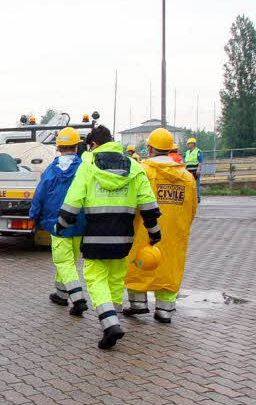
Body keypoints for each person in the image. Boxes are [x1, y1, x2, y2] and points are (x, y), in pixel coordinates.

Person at [56, 125, 160, 350]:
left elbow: (73, 200)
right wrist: (154, 233)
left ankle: (110, 324)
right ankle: (113, 317)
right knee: (115, 278)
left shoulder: (88, 166)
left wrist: (61, 224)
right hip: (123, 238)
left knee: (95, 278)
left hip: (95, 236)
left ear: (93, 145)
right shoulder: (133, 166)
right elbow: (149, 204)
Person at [123, 128, 197, 324]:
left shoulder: (142, 171)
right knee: (170, 267)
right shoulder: (187, 177)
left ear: (150, 148)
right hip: (174, 233)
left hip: (143, 229)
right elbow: (192, 208)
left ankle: (137, 304)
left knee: (138, 263)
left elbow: (131, 201)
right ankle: (165, 310)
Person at [30, 127, 88, 316]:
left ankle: (78, 299)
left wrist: (34, 215)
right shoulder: (83, 169)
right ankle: (61, 294)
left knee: (63, 261)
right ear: (77, 146)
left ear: (58, 147)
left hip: (57, 222)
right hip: (79, 221)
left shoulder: (52, 170)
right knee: (69, 260)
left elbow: (40, 193)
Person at [184, 137, 204, 202]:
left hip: (195, 171)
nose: (188, 145)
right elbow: (185, 162)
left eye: (189, 143)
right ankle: (190, 198)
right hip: (188, 171)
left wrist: (198, 169)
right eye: (188, 143)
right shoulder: (187, 152)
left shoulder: (198, 151)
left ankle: (197, 198)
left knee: (196, 185)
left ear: (193, 144)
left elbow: (200, 161)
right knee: (189, 185)